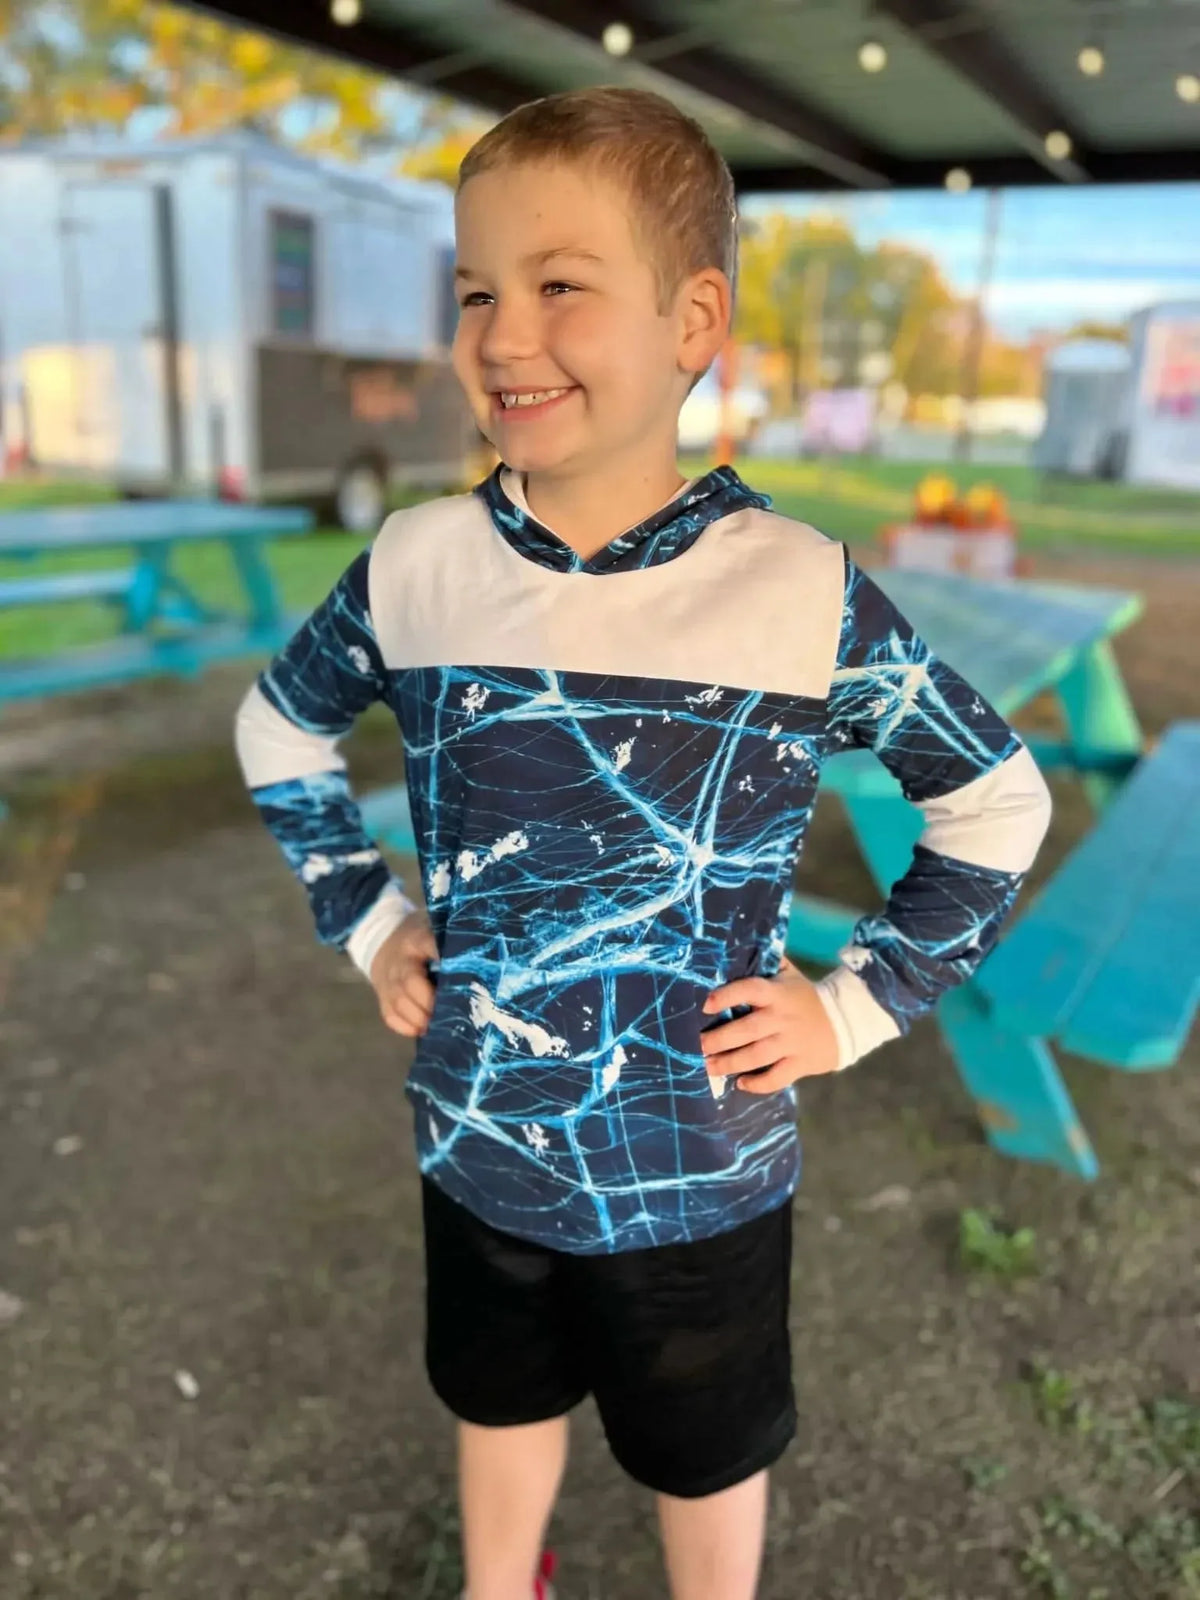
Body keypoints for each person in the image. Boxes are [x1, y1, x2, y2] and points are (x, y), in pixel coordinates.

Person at [234, 86, 1052, 1600]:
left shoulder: (799, 592)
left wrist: (856, 1004)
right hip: (476, 1140)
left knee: (708, 1449)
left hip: (701, 1167)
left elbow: (996, 800)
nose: (501, 333)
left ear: (694, 321)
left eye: (559, 286)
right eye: (476, 290)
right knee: (497, 1400)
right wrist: (364, 916)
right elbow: (278, 730)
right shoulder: (415, 564)